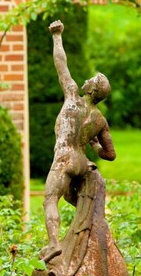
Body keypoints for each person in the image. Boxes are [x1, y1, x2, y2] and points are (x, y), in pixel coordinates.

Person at [41, 19, 115, 262]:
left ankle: (54, 245)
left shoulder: (73, 96)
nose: (86, 80)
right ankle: (93, 225)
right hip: (82, 162)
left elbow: (61, 64)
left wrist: (57, 36)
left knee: (50, 199)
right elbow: (110, 154)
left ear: (91, 90)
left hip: (64, 158)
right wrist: (94, 146)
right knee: (73, 198)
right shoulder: (100, 119)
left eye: (90, 80)